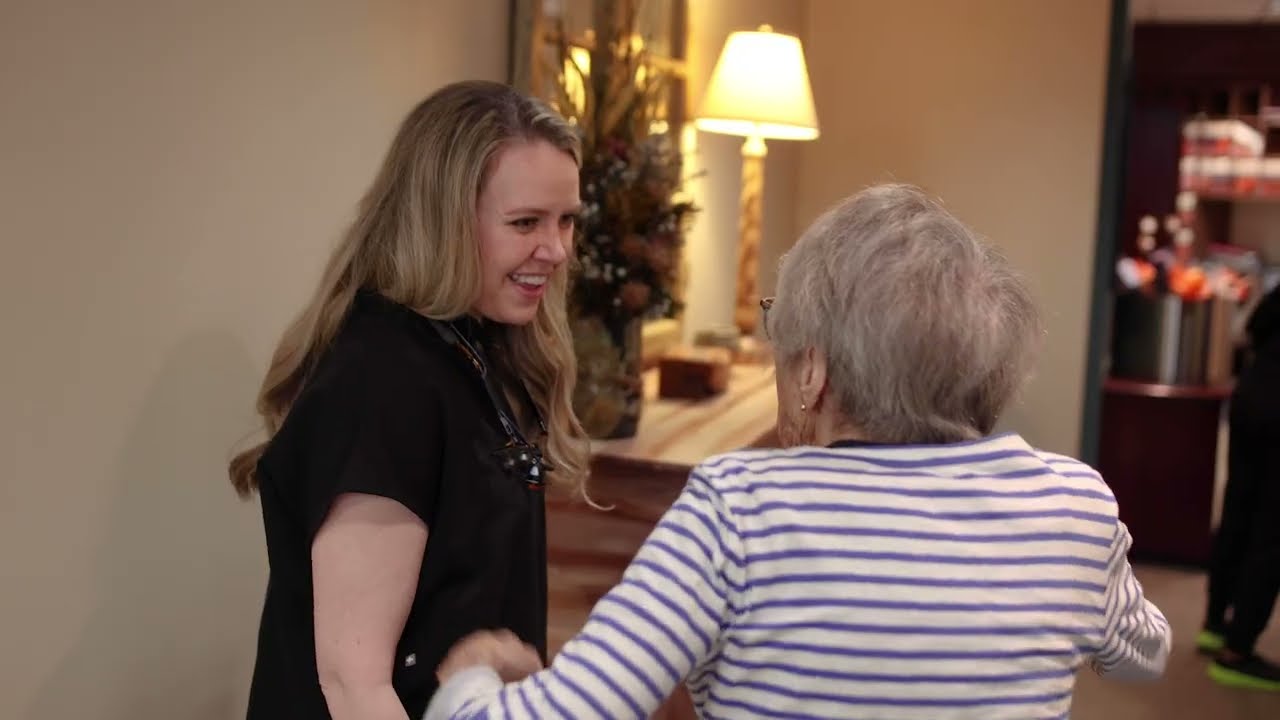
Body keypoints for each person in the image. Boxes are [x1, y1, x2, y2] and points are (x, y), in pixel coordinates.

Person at [424, 184, 1171, 719]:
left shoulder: (738, 507)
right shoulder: (1075, 504)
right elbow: (1145, 654)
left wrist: (473, 681)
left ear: (812, 370)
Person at [227, 80, 589, 720]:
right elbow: (353, 684)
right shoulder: (381, 383)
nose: (556, 250)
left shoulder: (475, 345)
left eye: (566, 221)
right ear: (441, 221)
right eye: (525, 223)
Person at [1201, 280, 1280, 691]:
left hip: (1255, 395)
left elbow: (1254, 328)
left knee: (1239, 510)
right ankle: (1237, 651)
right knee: (1272, 534)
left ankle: (1215, 623)